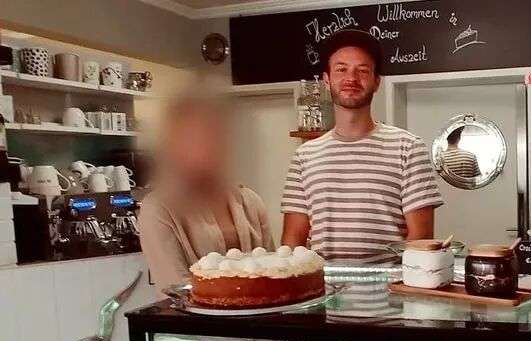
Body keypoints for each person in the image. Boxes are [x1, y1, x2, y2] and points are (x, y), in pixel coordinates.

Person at [281, 30, 443, 262]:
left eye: (363, 70)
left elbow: (421, 240)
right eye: (341, 69)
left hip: (390, 293)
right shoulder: (304, 156)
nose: (351, 78)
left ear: (377, 82)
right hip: (324, 293)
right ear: (326, 80)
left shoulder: (408, 148)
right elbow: (291, 244)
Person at [139, 96, 275, 290]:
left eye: (217, 136)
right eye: (195, 138)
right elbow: (175, 288)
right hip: (194, 320)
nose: (209, 146)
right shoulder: (158, 208)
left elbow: (274, 272)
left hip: (261, 318)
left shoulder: (250, 201)